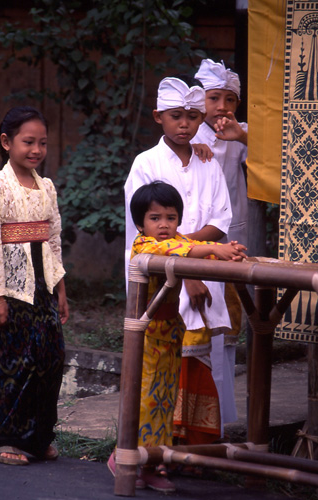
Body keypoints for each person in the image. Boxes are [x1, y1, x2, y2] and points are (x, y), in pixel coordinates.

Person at [124, 76, 240, 451]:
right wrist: (187, 270)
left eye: (192, 116)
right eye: (177, 116)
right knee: (157, 369)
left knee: (201, 358)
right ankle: (151, 449)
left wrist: (194, 257)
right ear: (159, 117)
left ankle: (195, 446)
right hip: (163, 281)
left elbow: (221, 220)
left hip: (206, 270)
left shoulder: (208, 161)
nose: (185, 124)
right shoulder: (146, 163)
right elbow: (145, 231)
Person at [108, 181, 246, 492]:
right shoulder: (144, 246)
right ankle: (126, 457)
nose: (164, 225)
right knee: (146, 400)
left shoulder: (179, 241)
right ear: (141, 223)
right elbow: (180, 250)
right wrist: (213, 247)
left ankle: (153, 462)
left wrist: (229, 253)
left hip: (171, 334)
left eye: (170, 217)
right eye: (155, 218)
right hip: (145, 336)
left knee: (165, 401)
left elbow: (193, 252)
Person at [0, 106, 69, 466]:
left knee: (50, 359)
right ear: (6, 142)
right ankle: (8, 441)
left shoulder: (46, 186)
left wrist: (60, 287)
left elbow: (54, 239)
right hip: (12, 294)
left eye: (42, 143)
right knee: (16, 364)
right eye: (28, 141)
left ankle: (39, 437)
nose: (36, 149)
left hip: (43, 287)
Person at [193, 58, 248, 431]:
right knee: (199, 324)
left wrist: (240, 136)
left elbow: (277, 154)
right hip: (197, 237)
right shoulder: (189, 133)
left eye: (230, 100)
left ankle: (225, 420)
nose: (223, 107)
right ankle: (198, 421)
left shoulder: (240, 134)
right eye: (215, 98)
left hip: (234, 237)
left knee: (227, 325)